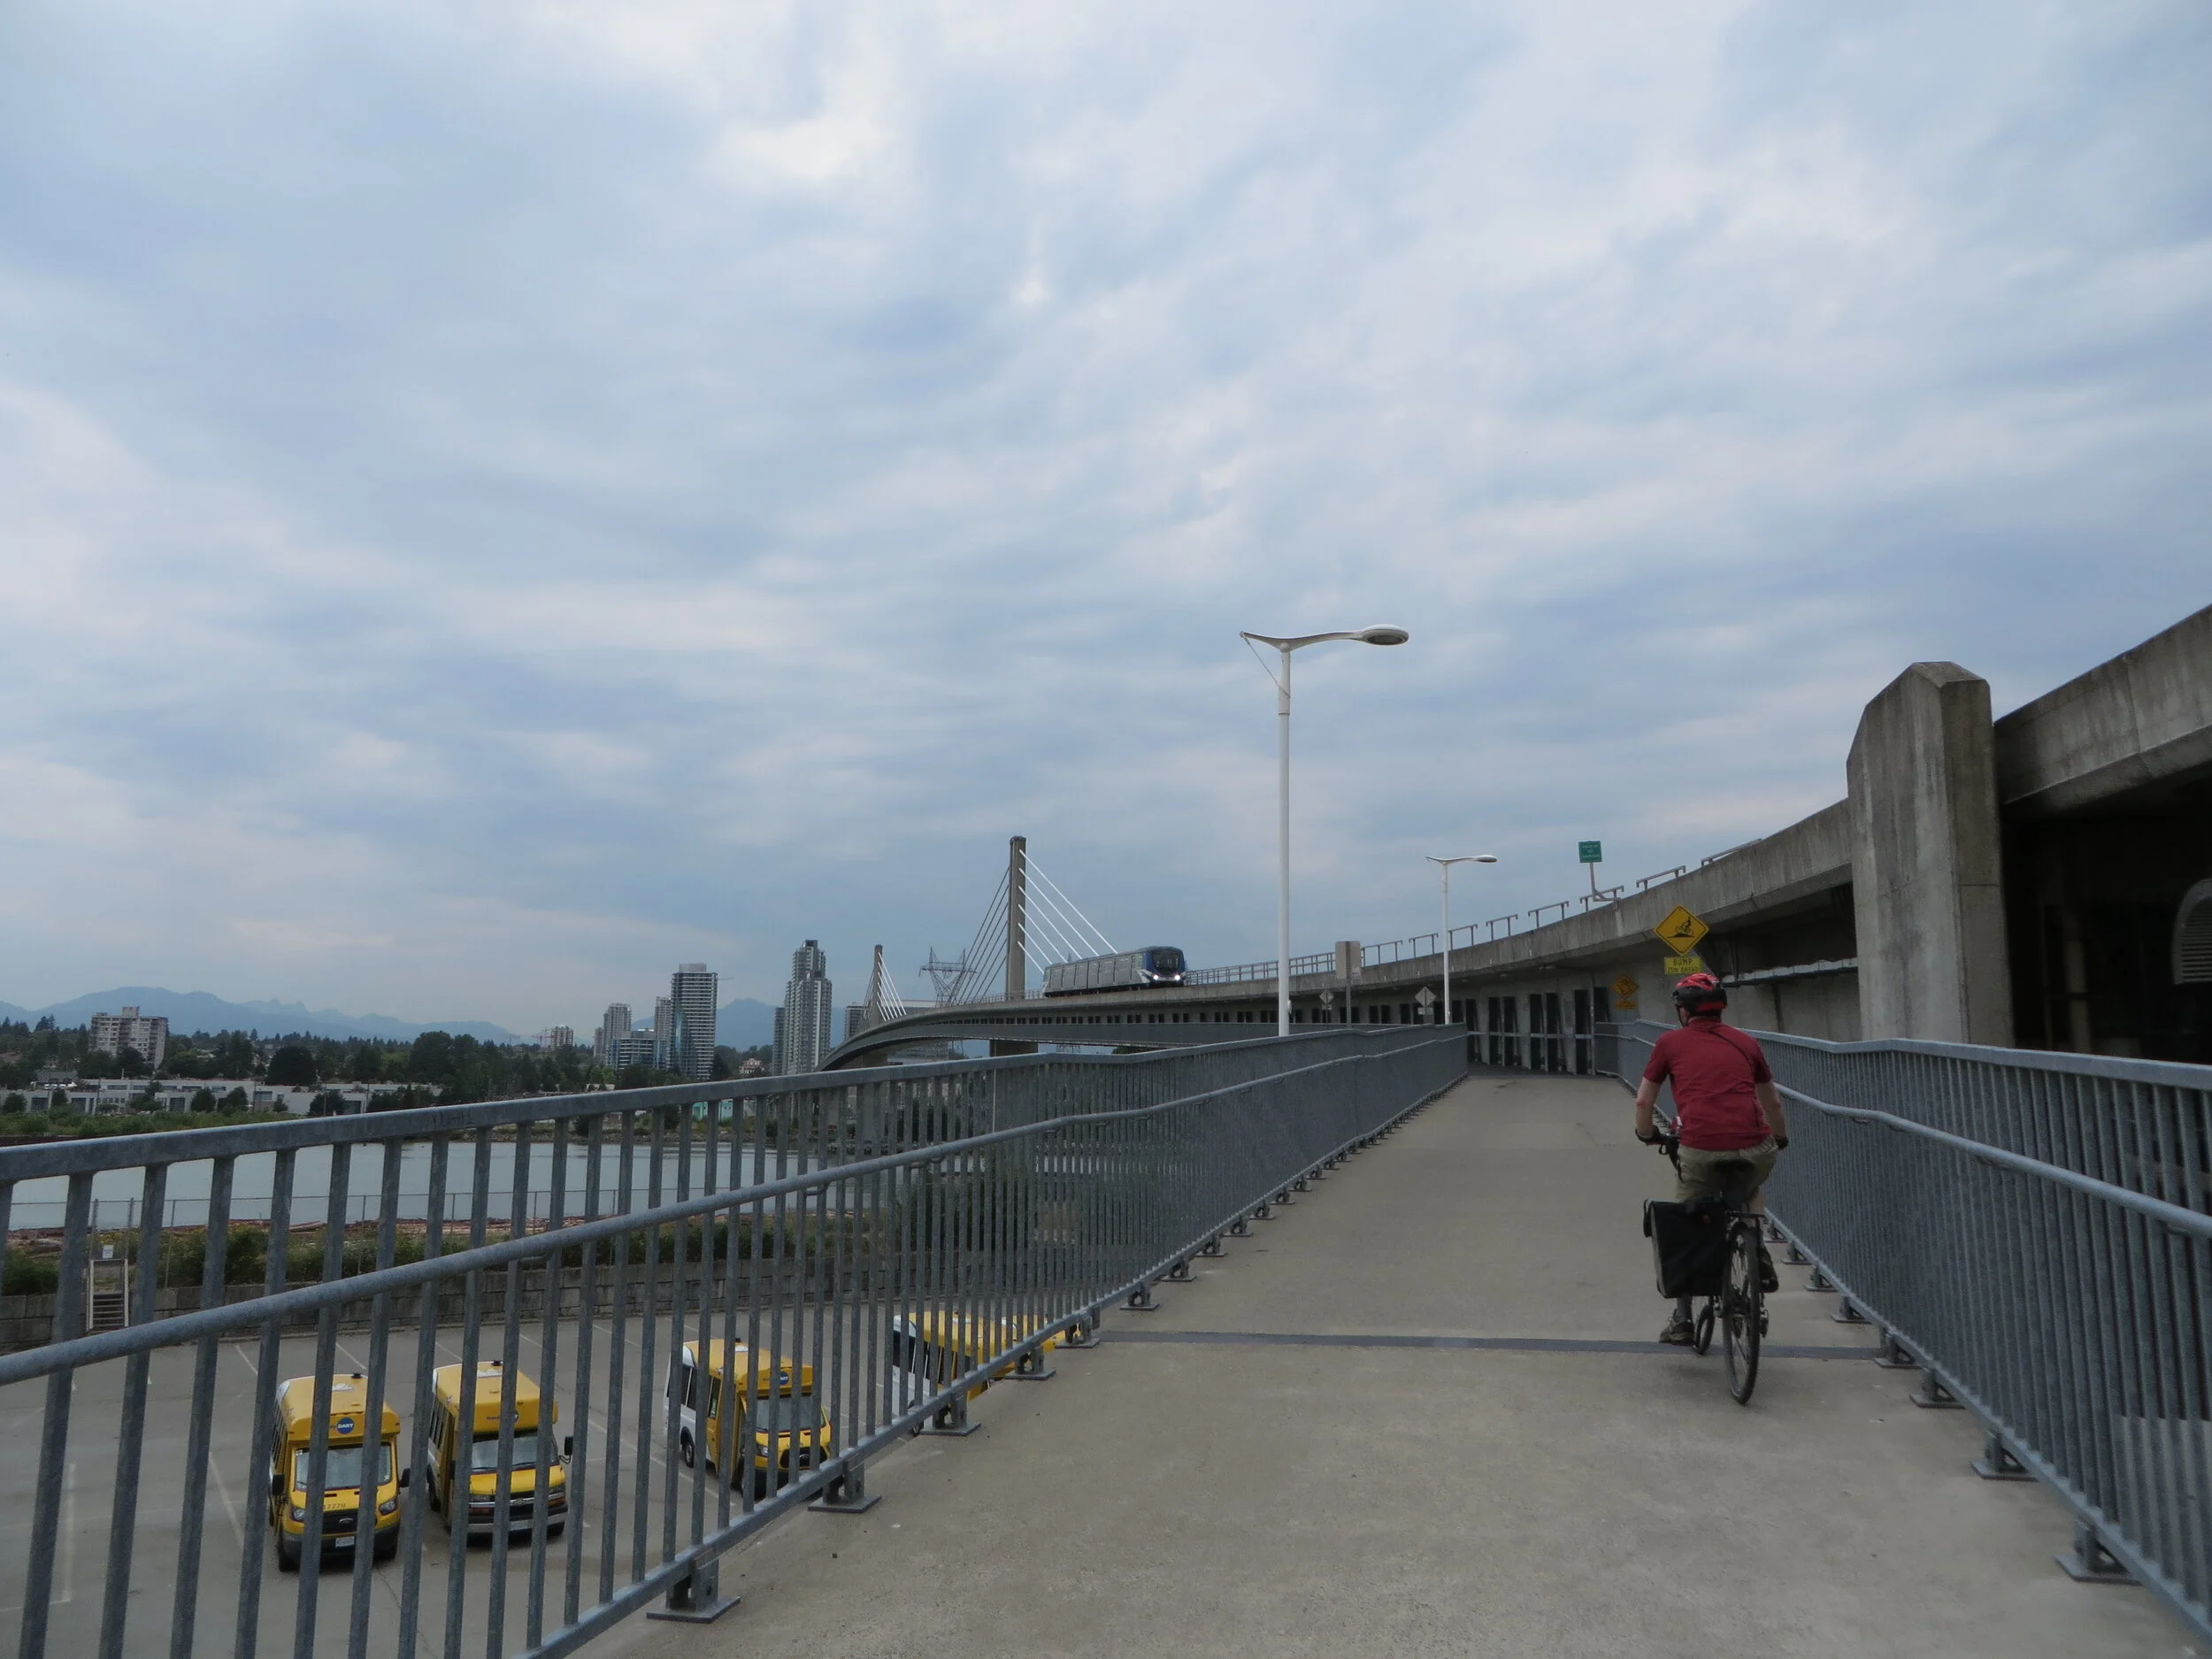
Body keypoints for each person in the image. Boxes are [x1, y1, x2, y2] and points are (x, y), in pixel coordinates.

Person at [1633, 972, 1790, 1345]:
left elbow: (1644, 1101)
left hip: (1700, 1145)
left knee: (1688, 1223)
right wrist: (1779, 1137)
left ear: (1684, 1011)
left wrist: (1646, 1133)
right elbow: (1772, 1101)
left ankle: (1683, 1320)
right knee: (1750, 1189)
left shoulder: (1669, 1044)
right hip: (1755, 1144)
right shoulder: (1746, 1043)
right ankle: (1755, 1244)